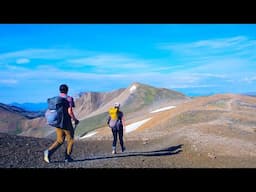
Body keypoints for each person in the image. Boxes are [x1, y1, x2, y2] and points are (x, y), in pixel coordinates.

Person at [44, 84, 79, 163]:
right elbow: (70, 111)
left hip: (58, 122)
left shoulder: (56, 99)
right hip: (66, 123)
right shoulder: (69, 99)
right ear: (67, 90)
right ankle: (67, 157)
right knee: (70, 140)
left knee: (60, 140)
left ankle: (48, 152)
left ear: (60, 90)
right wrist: (75, 119)